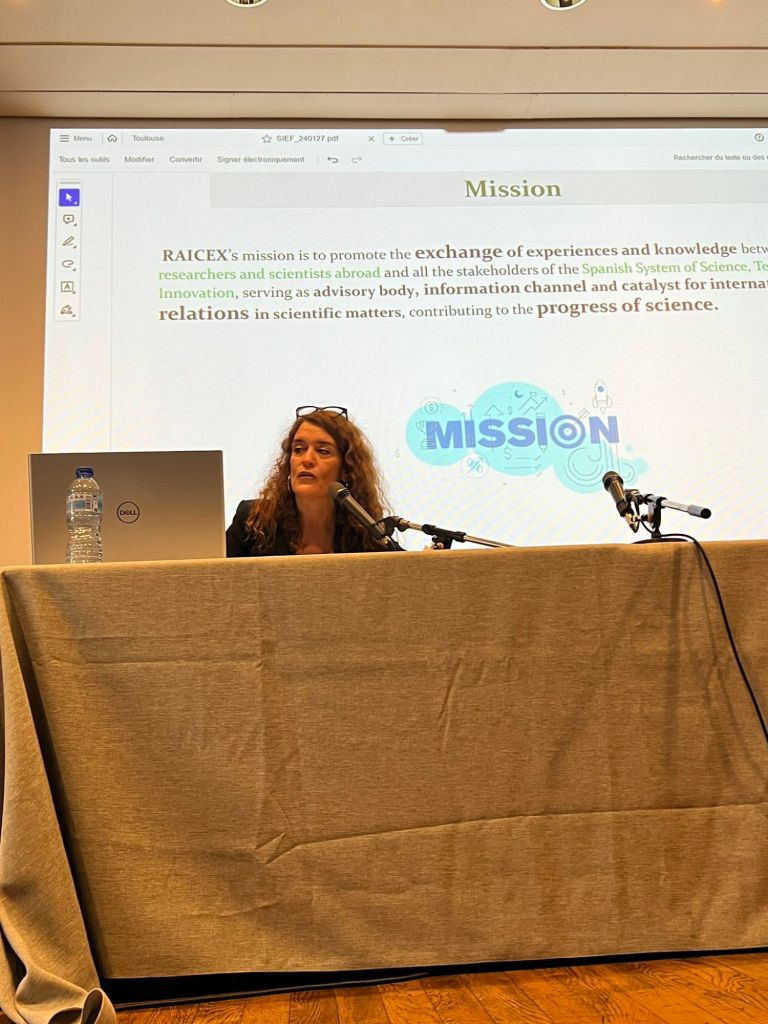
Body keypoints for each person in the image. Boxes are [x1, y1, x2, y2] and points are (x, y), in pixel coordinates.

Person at [226, 406, 392, 557]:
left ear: (346, 470)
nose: (307, 460)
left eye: (323, 451)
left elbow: (404, 570)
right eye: (299, 449)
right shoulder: (252, 522)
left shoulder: (364, 534)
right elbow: (215, 574)